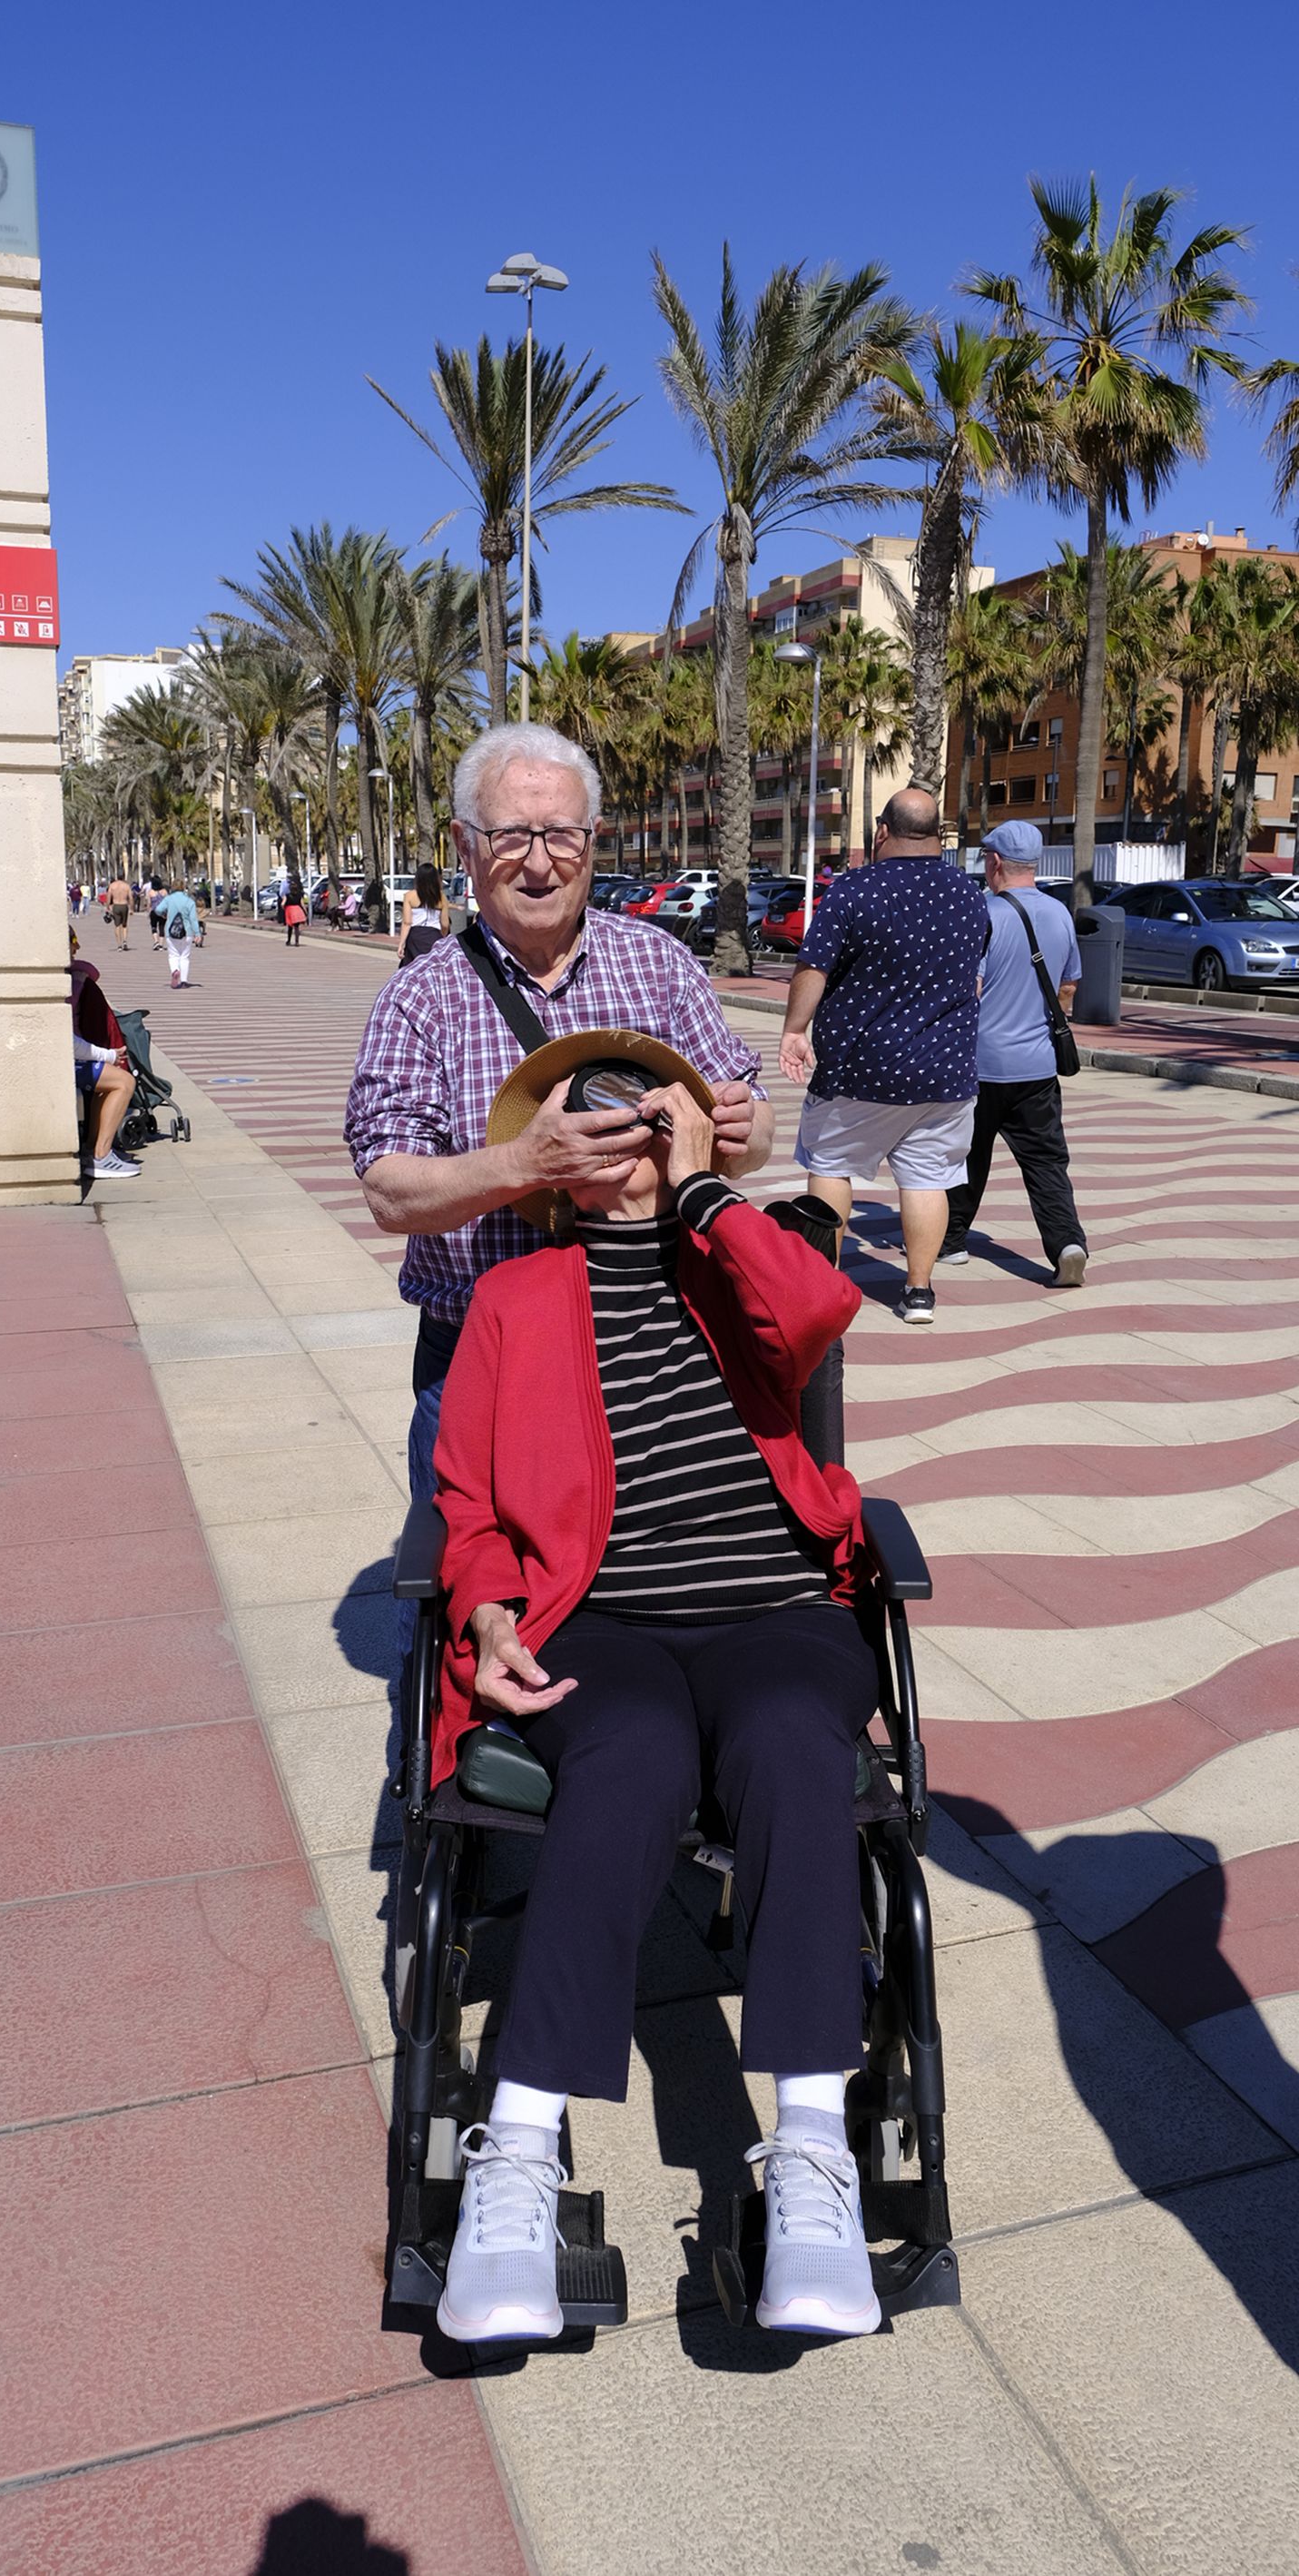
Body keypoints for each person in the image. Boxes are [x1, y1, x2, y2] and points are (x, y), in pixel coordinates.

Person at [430, 1038, 881, 2344]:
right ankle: (513, 2159)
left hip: (776, 1609)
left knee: (798, 1740)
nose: (620, 1130)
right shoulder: (516, 1298)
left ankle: (810, 2156)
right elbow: (465, 1499)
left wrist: (705, 1192)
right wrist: (485, 1602)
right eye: (589, 1115)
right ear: (556, 1161)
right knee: (624, 1751)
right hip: (606, 1617)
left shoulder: (737, 1248)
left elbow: (813, 1317)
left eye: (645, 1107)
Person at [344, 720, 774, 1510]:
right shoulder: (419, 997)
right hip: (483, 1359)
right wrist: (525, 1164)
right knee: (479, 1598)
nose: (540, 862)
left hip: (657, 1346)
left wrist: (745, 1135)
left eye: (562, 835)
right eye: (512, 834)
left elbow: (753, 1122)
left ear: (593, 839)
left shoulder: (660, 964)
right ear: (466, 845)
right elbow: (387, 1194)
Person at [778, 787, 986, 1326]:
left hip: (860, 1068)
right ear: (937, 835)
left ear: (882, 832)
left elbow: (813, 967)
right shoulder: (969, 894)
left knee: (831, 1165)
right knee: (926, 1179)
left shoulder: (853, 889)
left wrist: (795, 1029)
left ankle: (823, 1282)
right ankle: (919, 1292)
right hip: (946, 1070)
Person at [937, 819, 1087, 1288]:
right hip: (1038, 1066)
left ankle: (951, 1242)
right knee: (1046, 1161)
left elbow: (971, 988)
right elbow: (1068, 985)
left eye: (986, 858)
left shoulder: (985, 913)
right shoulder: (1061, 914)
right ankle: (1066, 1242)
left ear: (996, 862)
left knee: (966, 1156)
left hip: (981, 1065)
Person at [69, 933, 139, 1179]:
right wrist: (107, 1055)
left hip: (69, 1060)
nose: (76, 948)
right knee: (124, 1082)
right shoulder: (72, 981)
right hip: (69, 1062)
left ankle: (92, 1149)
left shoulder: (69, 978)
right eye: (72, 942)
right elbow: (66, 1039)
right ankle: (101, 1156)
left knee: (108, 1084)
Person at [398, 862, 450, 966]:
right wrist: (442, 938)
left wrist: (401, 944)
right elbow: (445, 924)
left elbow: (407, 922)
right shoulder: (441, 898)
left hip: (415, 936)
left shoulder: (409, 896)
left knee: (412, 969)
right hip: (434, 936)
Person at [161, 883, 201, 987]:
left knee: (173, 955)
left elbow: (158, 910)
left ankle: (175, 970)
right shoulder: (189, 901)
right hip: (187, 932)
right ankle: (184, 981)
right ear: (183, 889)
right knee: (185, 957)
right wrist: (197, 933)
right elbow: (193, 919)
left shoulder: (168, 899)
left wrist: (165, 914)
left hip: (171, 931)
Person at [106, 870, 133, 951]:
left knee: (117, 925)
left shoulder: (112, 885)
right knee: (124, 925)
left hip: (116, 905)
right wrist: (131, 908)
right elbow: (131, 897)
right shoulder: (126, 886)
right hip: (124, 905)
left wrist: (108, 907)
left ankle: (119, 945)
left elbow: (108, 897)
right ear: (124, 876)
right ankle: (124, 940)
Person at [283, 873, 307, 949]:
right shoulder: (299, 896)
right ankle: (297, 941)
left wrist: (284, 907)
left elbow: (282, 903)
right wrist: (305, 912)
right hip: (297, 910)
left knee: (290, 926)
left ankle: (289, 940)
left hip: (290, 910)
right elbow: (303, 904)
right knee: (297, 927)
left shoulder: (287, 895)